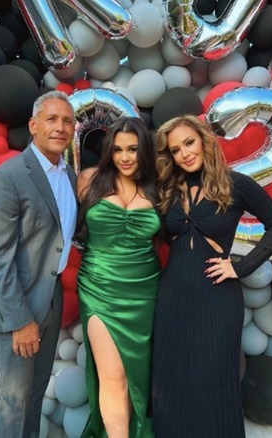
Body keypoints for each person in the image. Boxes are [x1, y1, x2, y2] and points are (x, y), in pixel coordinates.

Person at [150, 115, 272, 437]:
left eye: (189, 142)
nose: (184, 153)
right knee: (171, 379)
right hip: (172, 298)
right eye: (175, 150)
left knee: (211, 379)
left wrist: (241, 266)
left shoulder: (234, 183)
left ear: (203, 140)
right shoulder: (169, 189)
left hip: (217, 297)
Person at [0, 90, 78, 438]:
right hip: (16, 306)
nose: (60, 127)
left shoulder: (69, 176)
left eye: (67, 121)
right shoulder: (9, 177)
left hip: (50, 298)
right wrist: (20, 321)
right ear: (33, 126)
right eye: (51, 119)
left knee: (34, 394)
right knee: (15, 401)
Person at [75, 117, 161, 438]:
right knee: (112, 376)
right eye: (118, 150)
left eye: (133, 150)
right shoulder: (89, 179)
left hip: (145, 291)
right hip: (98, 287)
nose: (125, 157)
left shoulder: (158, 186)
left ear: (145, 151)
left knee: (137, 374)